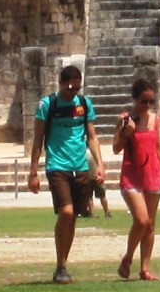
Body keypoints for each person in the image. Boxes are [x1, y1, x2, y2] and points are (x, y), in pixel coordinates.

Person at [28, 65, 105, 285]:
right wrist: (33, 171)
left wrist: (99, 164)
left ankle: (62, 265)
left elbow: (91, 136)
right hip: (57, 165)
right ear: (61, 83)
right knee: (67, 212)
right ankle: (60, 265)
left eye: (77, 88)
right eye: (70, 88)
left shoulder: (83, 104)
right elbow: (37, 140)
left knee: (73, 218)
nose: (73, 92)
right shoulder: (47, 105)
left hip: (79, 166)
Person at [113, 78, 160, 281]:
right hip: (131, 175)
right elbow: (115, 148)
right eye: (143, 101)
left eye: (150, 101)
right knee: (141, 220)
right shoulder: (124, 119)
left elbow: (159, 150)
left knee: (151, 225)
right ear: (135, 99)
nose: (147, 105)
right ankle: (128, 258)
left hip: (153, 173)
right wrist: (127, 133)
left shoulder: (155, 120)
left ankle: (145, 268)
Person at [82, 147, 112, 218]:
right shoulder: (95, 154)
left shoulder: (83, 154)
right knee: (102, 196)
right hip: (97, 177)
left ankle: (92, 212)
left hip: (88, 177)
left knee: (89, 197)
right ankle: (106, 212)